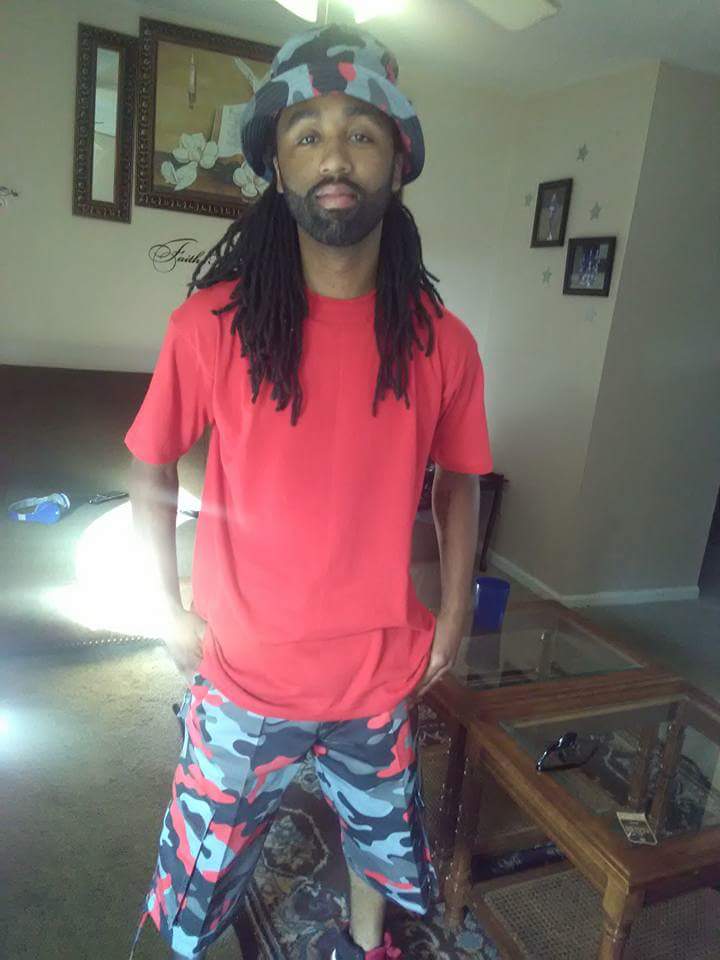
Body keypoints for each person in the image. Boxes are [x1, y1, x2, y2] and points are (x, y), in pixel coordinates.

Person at [126, 22, 492, 960]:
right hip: (244, 675)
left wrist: (454, 614)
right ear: (276, 166)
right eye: (308, 133)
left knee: (382, 848)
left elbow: (461, 479)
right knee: (198, 877)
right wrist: (164, 606)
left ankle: (365, 946)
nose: (335, 155)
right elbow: (150, 463)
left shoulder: (443, 343)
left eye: (361, 133)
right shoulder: (210, 326)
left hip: (378, 673)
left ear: (397, 164)